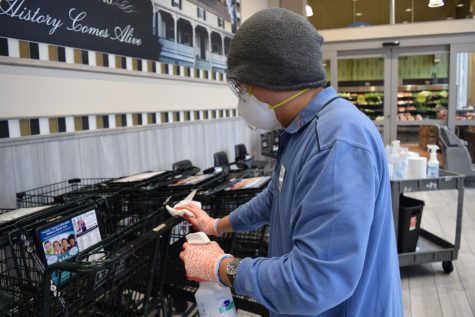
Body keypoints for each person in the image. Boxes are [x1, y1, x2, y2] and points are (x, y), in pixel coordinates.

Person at [179, 8, 403, 317]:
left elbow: (314, 282)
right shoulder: (301, 130)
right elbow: (275, 198)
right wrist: (215, 225)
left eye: (242, 86)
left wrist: (222, 267)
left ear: (272, 77)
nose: (243, 96)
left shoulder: (336, 144)